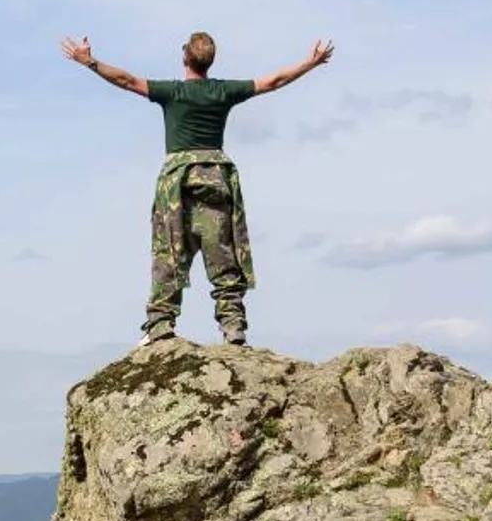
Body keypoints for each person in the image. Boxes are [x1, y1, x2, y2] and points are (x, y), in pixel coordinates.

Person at [61, 30, 335, 346]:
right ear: (209, 62)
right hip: (216, 177)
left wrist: (89, 61)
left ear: (185, 59)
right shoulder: (222, 91)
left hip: (177, 181)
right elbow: (273, 82)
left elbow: (125, 80)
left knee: (169, 251)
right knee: (222, 251)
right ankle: (233, 326)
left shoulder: (173, 92)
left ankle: (161, 325)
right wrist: (310, 63)